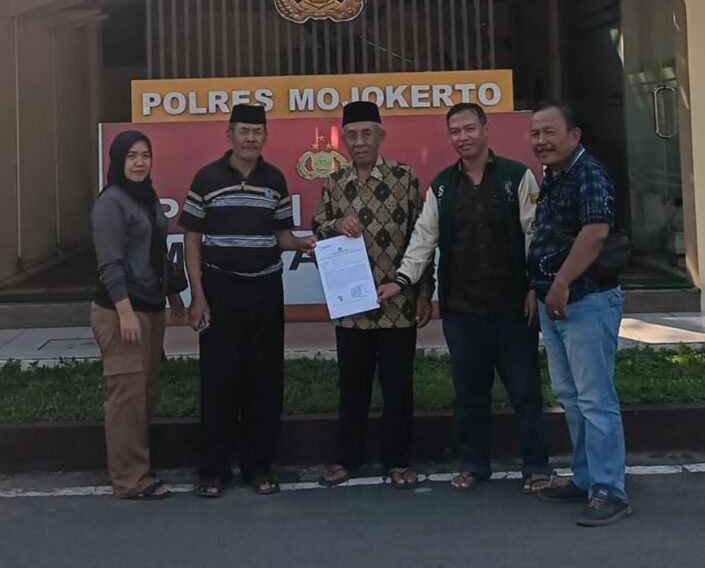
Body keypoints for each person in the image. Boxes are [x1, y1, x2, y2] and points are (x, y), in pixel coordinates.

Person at [378, 103, 549, 493]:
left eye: (470, 128)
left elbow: (535, 234)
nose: (463, 137)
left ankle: (536, 467)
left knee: (526, 392)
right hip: (462, 310)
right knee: (470, 395)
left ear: (486, 130)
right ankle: (473, 465)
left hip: (512, 308)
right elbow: (423, 239)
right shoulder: (441, 186)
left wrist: (534, 286)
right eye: (455, 131)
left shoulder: (517, 177)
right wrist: (402, 280)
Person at [182, 103, 315, 499]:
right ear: (230, 135)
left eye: (257, 132)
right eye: (243, 131)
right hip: (219, 290)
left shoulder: (275, 180)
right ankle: (214, 470)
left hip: (265, 291)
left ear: (266, 137)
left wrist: (304, 243)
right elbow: (192, 238)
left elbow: (282, 236)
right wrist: (197, 295)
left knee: (264, 381)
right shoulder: (206, 178)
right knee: (218, 382)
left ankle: (258, 467)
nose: (250, 138)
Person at [313, 101, 434, 490]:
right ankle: (348, 458)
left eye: (367, 133)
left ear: (381, 136)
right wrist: (336, 223)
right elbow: (317, 227)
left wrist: (424, 292)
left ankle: (397, 460)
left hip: (397, 302)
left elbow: (422, 237)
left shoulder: (404, 177)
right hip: (352, 306)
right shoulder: (335, 182)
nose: (359, 141)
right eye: (352, 135)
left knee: (398, 386)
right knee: (352, 386)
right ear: (343, 140)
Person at [527, 101, 631, 527]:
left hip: (585, 299)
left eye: (549, 132)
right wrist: (538, 287)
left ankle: (610, 489)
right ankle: (586, 478)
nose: (540, 140)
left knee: (595, 398)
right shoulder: (554, 175)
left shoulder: (589, 172)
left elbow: (595, 232)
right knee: (571, 397)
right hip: (554, 302)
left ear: (574, 135)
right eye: (535, 133)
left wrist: (561, 283)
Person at [90, 130, 186, 501]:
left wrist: (173, 293)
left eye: (145, 155)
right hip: (121, 312)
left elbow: (158, 250)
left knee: (143, 393)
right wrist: (125, 312)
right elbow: (110, 264)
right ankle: (129, 479)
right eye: (131, 156)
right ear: (118, 160)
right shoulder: (110, 203)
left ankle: (138, 467)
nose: (139, 162)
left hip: (150, 307)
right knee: (126, 396)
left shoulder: (146, 197)